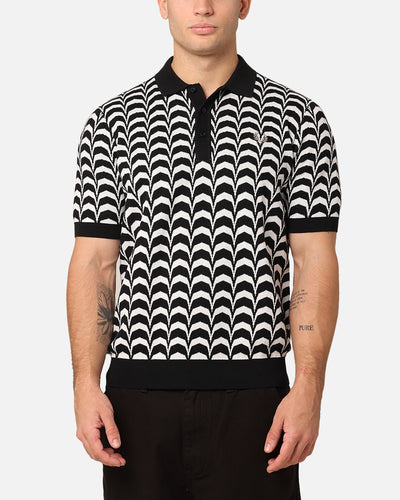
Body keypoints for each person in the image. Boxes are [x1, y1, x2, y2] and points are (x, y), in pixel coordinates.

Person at [66, 1, 342, 499]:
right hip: (136, 405)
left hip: (257, 403)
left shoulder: (300, 120)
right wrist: (85, 383)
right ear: (162, 4)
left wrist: (309, 386)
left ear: (245, 4)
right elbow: (95, 263)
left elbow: (313, 259)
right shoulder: (111, 124)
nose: (203, 6)